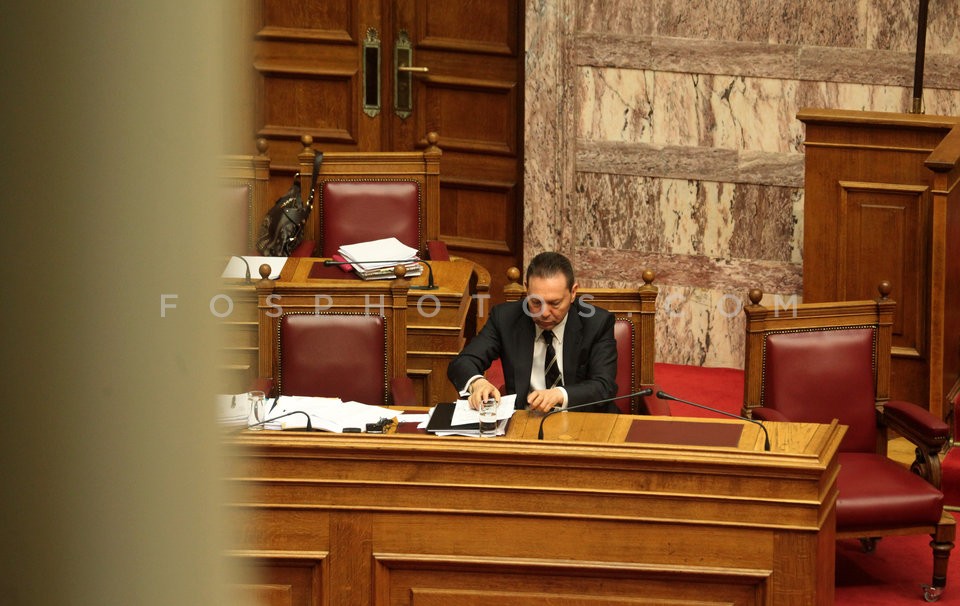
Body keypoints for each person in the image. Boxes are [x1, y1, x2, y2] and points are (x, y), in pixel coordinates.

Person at [447, 251, 618, 413]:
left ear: (573, 293)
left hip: (582, 421)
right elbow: (463, 362)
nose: (544, 313)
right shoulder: (506, 318)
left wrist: (560, 394)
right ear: (527, 288)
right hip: (526, 421)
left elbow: (604, 386)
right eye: (536, 302)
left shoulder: (596, 323)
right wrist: (477, 383)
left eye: (555, 303)